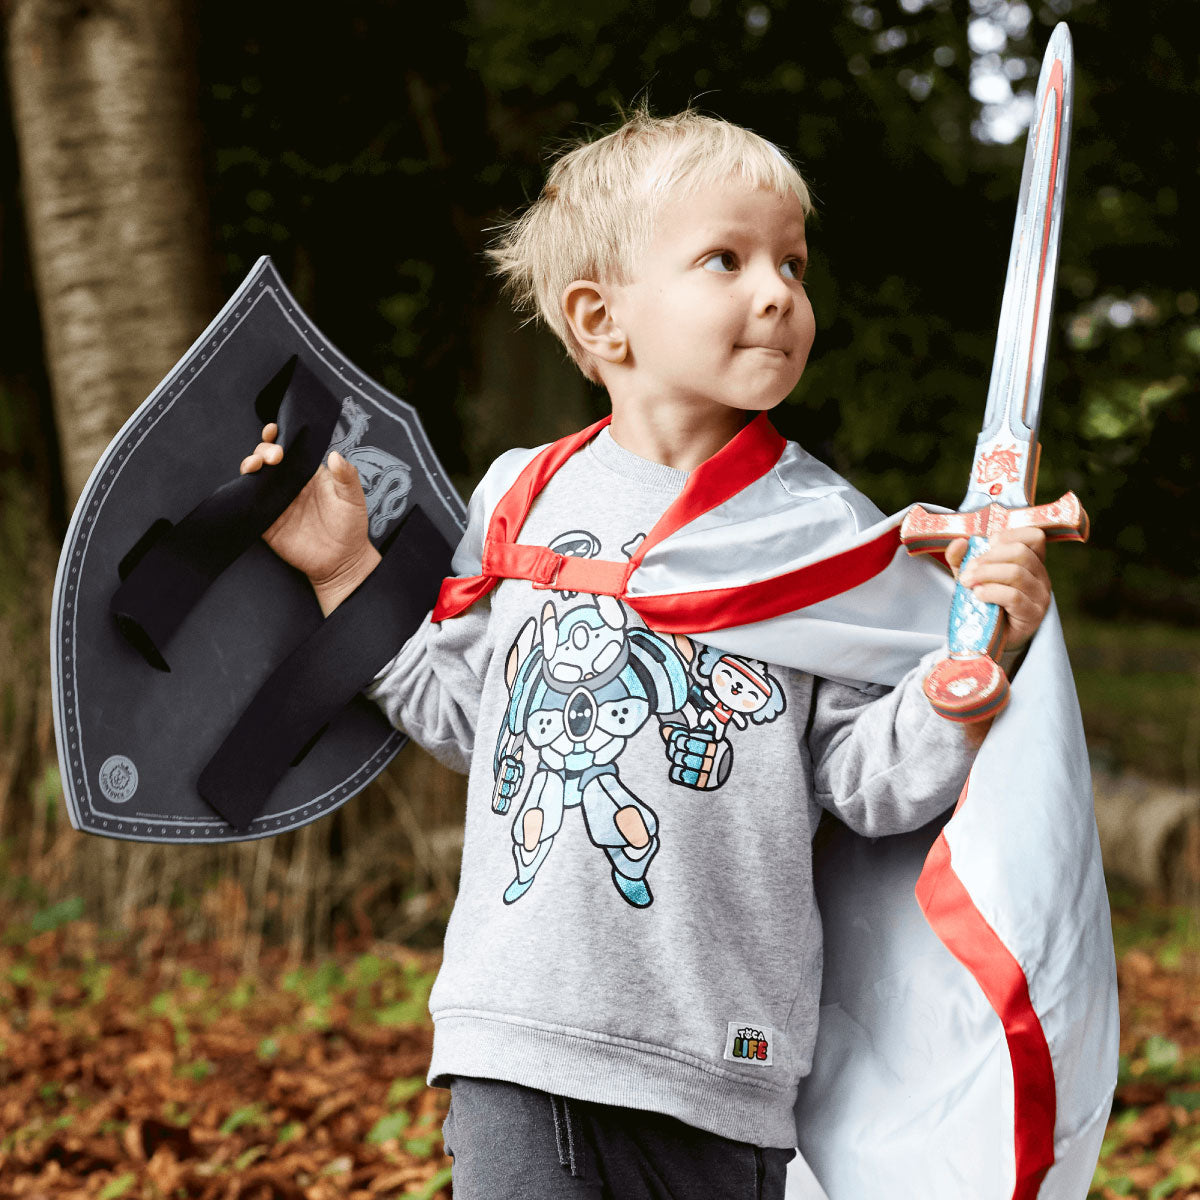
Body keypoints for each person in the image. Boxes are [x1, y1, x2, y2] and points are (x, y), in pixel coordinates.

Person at [240, 109, 1052, 1199]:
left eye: (793, 265)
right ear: (602, 319)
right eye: (727, 258)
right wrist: (346, 574)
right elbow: (477, 731)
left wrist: (969, 670)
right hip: (519, 1036)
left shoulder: (828, 536)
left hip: (722, 1060)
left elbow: (864, 784)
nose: (778, 292)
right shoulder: (522, 497)